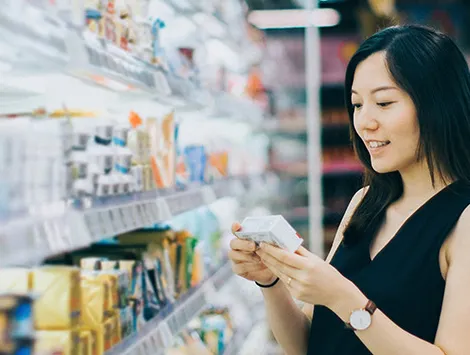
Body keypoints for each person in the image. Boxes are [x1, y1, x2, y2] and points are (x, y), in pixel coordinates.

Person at [229, 24, 470, 355]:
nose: (364, 121)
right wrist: (269, 280)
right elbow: (306, 345)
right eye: (357, 105)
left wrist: (343, 297)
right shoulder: (365, 203)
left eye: (384, 103)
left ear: (438, 104)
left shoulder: (463, 219)